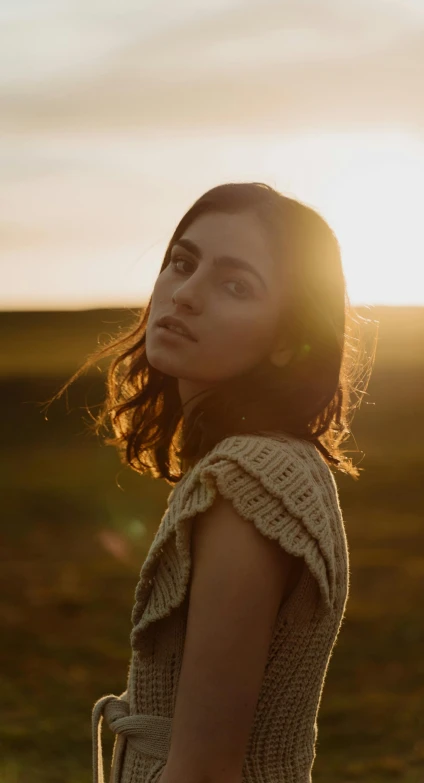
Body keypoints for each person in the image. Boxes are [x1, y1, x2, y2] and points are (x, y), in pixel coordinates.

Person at [46, 181, 377, 783]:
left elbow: (204, 772)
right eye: (182, 262)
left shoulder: (248, 483)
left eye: (235, 285)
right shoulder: (272, 463)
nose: (187, 295)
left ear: (286, 340)